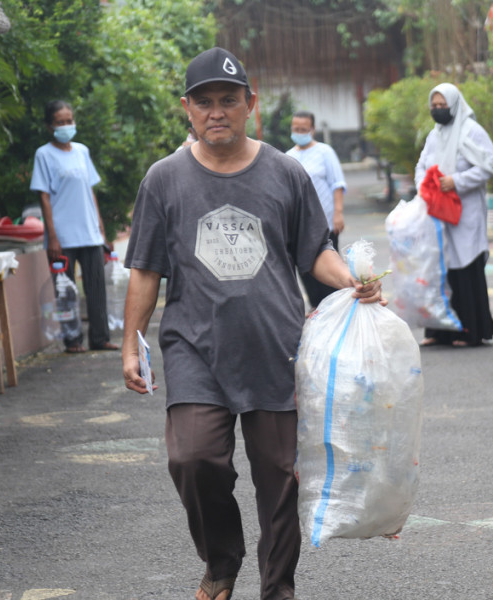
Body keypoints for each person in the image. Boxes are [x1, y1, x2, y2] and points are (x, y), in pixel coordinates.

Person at [121, 47, 384, 600]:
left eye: (228, 100)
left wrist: (351, 280)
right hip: (195, 348)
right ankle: (222, 562)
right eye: (204, 102)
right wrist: (130, 346)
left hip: (276, 346)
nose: (216, 112)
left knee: (281, 479)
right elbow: (145, 270)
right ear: (187, 109)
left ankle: (277, 589)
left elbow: (316, 251)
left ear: (250, 104)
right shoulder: (164, 180)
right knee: (192, 458)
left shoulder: (285, 172)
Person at [30, 100, 119, 353]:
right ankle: (72, 340)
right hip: (62, 236)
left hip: (90, 234)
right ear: (50, 127)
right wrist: (52, 236)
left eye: (69, 121)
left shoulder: (81, 151)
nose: (66, 126)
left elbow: (89, 191)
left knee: (96, 288)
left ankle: (100, 338)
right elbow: (44, 196)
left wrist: (101, 228)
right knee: (65, 292)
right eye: (60, 122)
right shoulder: (44, 154)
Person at [415, 82, 493, 347]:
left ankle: (470, 331)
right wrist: (423, 188)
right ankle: (440, 331)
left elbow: (490, 165)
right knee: (440, 271)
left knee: (465, 269)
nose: (438, 110)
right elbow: (421, 166)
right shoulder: (435, 135)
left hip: (466, 214)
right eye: (434, 105)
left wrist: (457, 181)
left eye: (443, 105)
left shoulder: (471, 131)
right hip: (438, 213)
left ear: (455, 105)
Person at [286, 110, 347, 308]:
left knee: (330, 266)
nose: (299, 132)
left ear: (312, 130)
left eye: (303, 129)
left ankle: (336, 308)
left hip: (326, 224)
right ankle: (317, 309)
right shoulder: (288, 157)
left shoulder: (325, 152)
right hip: (300, 227)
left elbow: (337, 183)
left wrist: (338, 213)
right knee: (306, 270)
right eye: (296, 129)